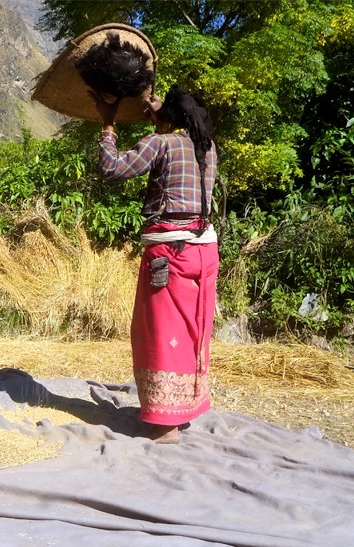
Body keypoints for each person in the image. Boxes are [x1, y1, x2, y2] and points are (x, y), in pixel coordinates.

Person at [93, 84, 219, 444]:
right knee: (194, 332)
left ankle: (165, 425)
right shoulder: (208, 147)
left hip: (170, 254)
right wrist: (156, 109)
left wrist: (107, 127)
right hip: (204, 251)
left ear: (167, 119)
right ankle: (184, 409)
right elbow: (175, 126)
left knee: (160, 332)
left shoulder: (160, 142)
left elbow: (112, 168)